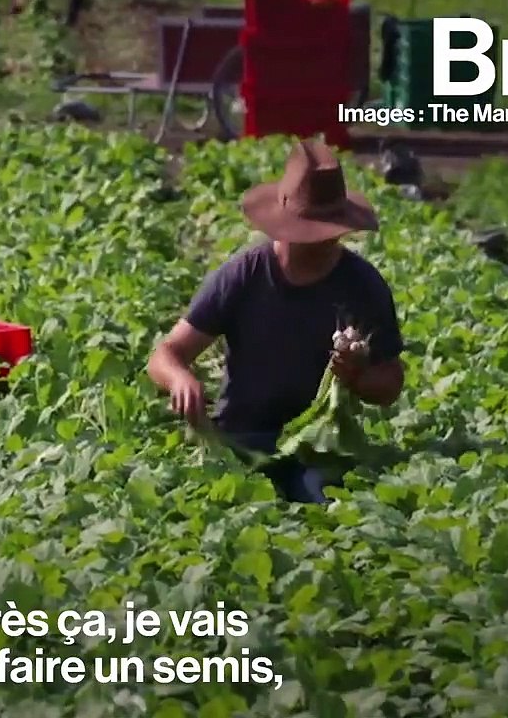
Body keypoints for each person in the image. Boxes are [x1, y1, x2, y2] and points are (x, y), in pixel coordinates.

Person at [146, 138, 406, 504]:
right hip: (241, 437)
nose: (321, 243)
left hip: (318, 445)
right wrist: (180, 379)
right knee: (221, 502)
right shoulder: (243, 275)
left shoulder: (362, 285)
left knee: (322, 502)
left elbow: (391, 383)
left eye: (328, 232)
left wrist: (358, 377)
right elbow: (166, 354)